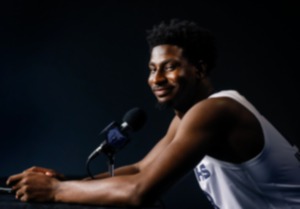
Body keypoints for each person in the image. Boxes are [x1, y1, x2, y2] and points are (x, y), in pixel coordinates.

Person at [6, 19, 300, 208]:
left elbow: (140, 191)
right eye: (152, 68)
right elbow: (141, 169)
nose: (156, 79)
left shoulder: (215, 111)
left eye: (169, 67)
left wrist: (56, 191)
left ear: (198, 68)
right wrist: (67, 181)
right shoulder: (187, 117)